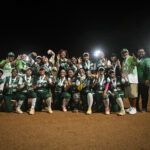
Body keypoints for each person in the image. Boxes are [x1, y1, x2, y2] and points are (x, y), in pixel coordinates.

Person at [121, 48, 138, 115]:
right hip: (126, 80)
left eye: (125, 52)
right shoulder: (123, 61)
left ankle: (134, 108)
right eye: (123, 53)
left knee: (133, 95)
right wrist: (122, 74)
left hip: (133, 79)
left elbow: (135, 64)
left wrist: (135, 60)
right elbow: (124, 70)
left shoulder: (131, 58)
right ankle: (131, 107)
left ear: (128, 52)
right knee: (129, 95)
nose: (124, 53)